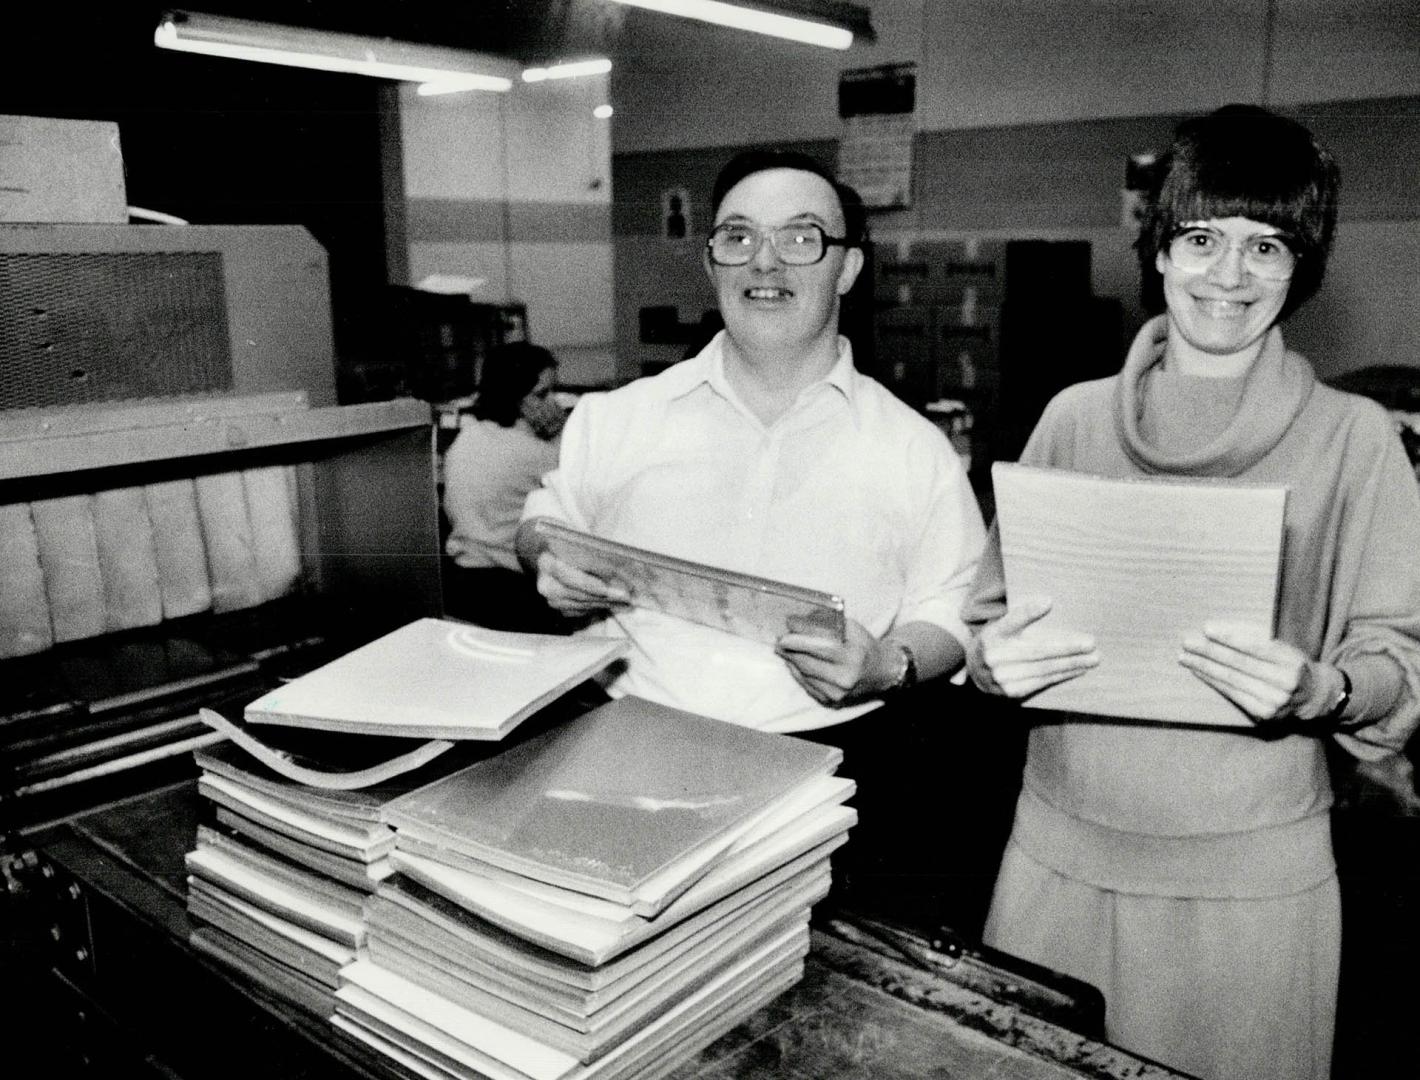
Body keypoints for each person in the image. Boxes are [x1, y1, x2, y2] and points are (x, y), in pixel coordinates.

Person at [963, 104, 1420, 1080]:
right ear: (1157, 249)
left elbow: (1401, 667)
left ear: (1302, 267)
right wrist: (989, 663)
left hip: (1251, 888)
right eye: (1202, 238)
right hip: (1054, 864)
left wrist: (1322, 691)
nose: (1228, 275)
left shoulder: (1355, 440)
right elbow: (984, 624)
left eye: (1266, 246)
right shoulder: (1073, 420)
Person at [515, 149, 986, 738]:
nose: (764, 263)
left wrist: (890, 664)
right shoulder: (619, 416)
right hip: (621, 729)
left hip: (832, 753)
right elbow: (545, 519)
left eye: (800, 238)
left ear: (847, 269)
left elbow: (953, 606)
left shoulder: (915, 450)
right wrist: (547, 560)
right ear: (711, 265)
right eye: (738, 238)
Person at [442, 341, 567, 631]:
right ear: (513, 396)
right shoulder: (537, 452)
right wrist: (561, 432)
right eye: (542, 394)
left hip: (461, 579)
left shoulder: (468, 436)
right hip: (512, 589)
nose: (554, 403)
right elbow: (574, 479)